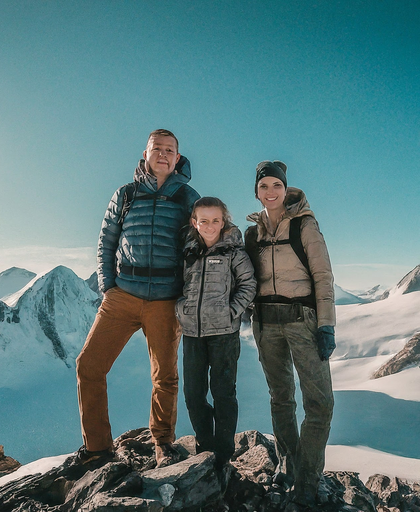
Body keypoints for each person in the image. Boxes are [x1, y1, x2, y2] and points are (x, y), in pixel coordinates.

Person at [76, 129, 200, 468]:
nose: (162, 154)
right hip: (123, 295)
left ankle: (163, 443)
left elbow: (202, 241)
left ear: (178, 158)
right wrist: (108, 287)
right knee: (89, 366)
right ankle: (98, 449)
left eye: (169, 150)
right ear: (145, 154)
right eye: (156, 148)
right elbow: (106, 241)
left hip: (164, 301)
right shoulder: (126, 194)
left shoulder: (188, 197)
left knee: (165, 377)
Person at [244, 161, 336, 511]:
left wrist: (326, 324)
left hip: (303, 321)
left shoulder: (304, 225)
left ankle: (307, 481)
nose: (270, 192)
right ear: (256, 191)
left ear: (285, 188)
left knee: (320, 403)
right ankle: (289, 465)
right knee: (280, 397)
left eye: (275, 185)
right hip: (266, 323)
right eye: (263, 186)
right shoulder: (252, 233)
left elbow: (323, 276)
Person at [176, 197, 256, 471]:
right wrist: (181, 309)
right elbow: (178, 285)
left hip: (224, 333)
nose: (210, 226)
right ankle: (204, 445)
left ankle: (222, 453)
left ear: (224, 222)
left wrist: (231, 311)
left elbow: (248, 285)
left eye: (216, 220)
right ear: (194, 222)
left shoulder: (234, 252)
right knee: (193, 393)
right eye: (204, 220)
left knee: (223, 393)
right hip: (193, 333)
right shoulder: (186, 251)